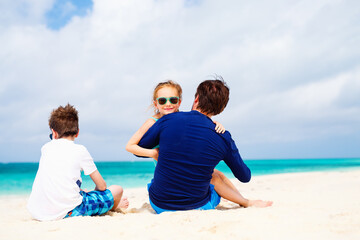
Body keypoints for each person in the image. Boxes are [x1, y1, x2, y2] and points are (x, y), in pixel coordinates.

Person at [127, 79, 272, 213]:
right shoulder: (222, 135)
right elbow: (245, 177)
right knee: (213, 176)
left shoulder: (168, 120)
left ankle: (245, 202)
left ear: (195, 99)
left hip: (159, 203)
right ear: (220, 109)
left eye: (173, 100)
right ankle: (245, 202)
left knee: (213, 174)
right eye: (163, 100)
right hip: (197, 206)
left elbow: (138, 150)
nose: (168, 104)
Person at [27, 104, 129, 221]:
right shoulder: (80, 150)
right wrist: (91, 193)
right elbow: (102, 186)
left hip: (38, 211)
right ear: (77, 132)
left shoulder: (45, 148)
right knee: (117, 189)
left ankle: (88, 196)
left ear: (54, 133)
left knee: (80, 191)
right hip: (69, 211)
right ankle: (114, 206)